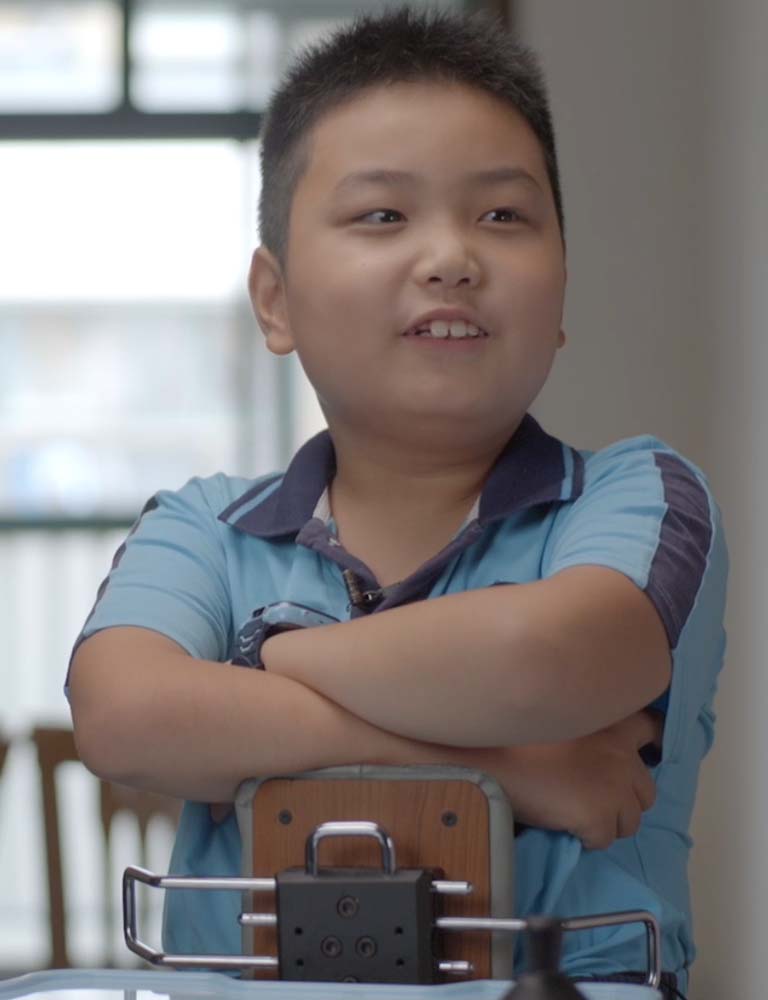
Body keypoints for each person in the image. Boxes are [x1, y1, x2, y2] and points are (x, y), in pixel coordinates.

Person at [66, 7, 726, 997]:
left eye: (504, 215)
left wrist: (267, 660)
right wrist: (513, 769)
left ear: (562, 291)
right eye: (383, 215)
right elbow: (121, 713)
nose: (452, 257)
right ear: (276, 299)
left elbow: (536, 659)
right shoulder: (204, 525)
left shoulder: (639, 492)